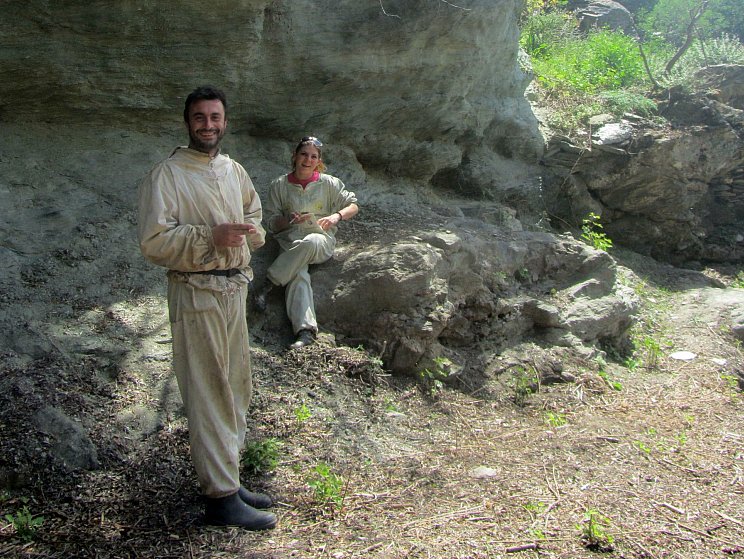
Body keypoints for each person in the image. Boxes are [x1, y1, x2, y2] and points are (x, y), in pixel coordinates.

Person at [138, 85, 277, 531]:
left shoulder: (233, 170)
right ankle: (219, 498)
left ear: (225, 121)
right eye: (200, 118)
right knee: (209, 390)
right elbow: (154, 241)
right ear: (187, 122)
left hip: (234, 290)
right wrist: (209, 238)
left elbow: (254, 214)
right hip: (196, 294)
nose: (208, 125)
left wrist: (250, 233)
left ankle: (229, 479)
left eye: (215, 117)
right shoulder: (168, 175)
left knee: (236, 386)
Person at [256, 136, 358, 349]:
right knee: (299, 274)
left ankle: (269, 282)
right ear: (294, 156)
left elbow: (353, 205)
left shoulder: (329, 183)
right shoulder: (280, 185)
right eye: (304, 154)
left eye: (313, 156)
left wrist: (335, 216)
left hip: (320, 238)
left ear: (318, 161)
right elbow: (272, 223)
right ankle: (305, 331)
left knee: (311, 240)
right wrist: (289, 220)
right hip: (290, 239)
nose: (308, 160)